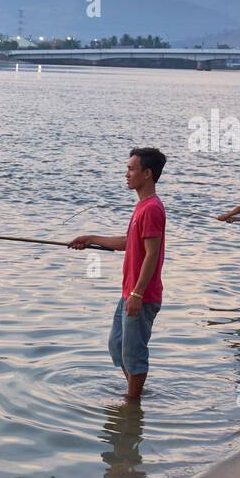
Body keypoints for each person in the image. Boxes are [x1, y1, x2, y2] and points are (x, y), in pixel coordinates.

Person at [70, 147, 167, 400]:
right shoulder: (142, 207)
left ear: (147, 173)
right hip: (130, 292)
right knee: (117, 346)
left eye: (131, 169)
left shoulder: (152, 209)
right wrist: (90, 238)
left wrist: (137, 293)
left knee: (133, 353)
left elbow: (152, 254)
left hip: (141, 294)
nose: (127, 174)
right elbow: (129, 242)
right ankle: (135, 393)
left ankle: (132, 403)